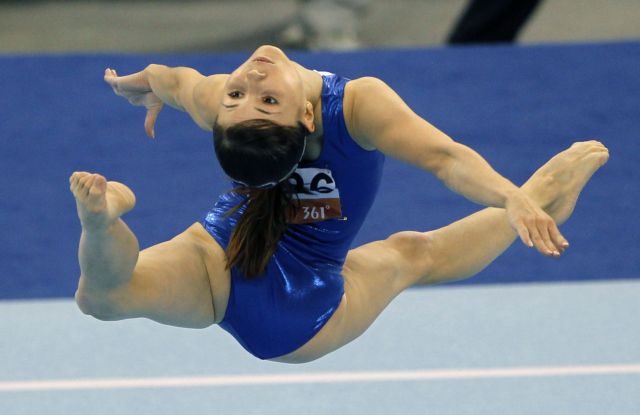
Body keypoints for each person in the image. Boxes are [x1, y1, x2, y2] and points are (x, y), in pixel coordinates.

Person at [71, 45, 608, 363]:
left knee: (411, 250)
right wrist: (149, 83)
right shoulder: (301, 106)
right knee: (100, 299)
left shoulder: (313, 106)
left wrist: (511, 196)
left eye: (257, 98)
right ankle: (101, 222)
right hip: (249, 276)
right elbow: (179, 82)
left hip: (265, 291)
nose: (250, 80)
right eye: (250, 98)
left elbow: (444, 158)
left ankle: (539, 194)